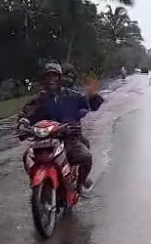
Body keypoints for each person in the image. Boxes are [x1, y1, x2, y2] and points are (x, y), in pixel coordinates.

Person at [19, 62, 103, 190]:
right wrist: (22, 123)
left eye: (54, 76)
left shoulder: (72, 95)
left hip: (68, 138)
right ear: (44, 80)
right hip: (44, 139)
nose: (51, 80)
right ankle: (37, 184)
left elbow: (90, 104)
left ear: (59, 78)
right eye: (48, 77)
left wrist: (93, 97)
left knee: (86, 157)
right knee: (27, 156)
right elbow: (27, 113)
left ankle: (79, 184)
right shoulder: (39, 99)